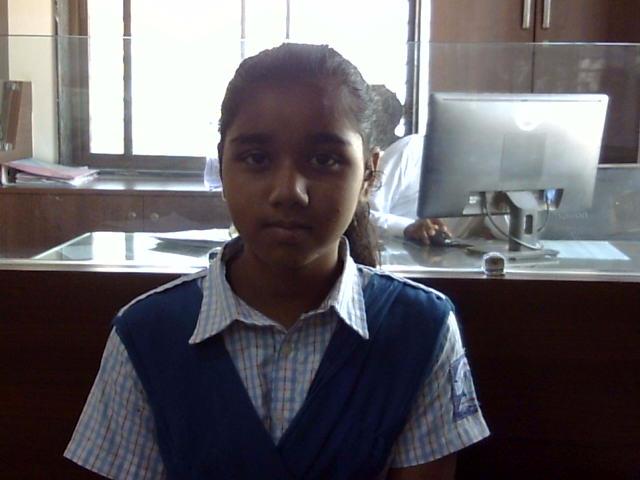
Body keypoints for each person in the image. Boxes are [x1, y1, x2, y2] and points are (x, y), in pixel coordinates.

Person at [64, 43, 489, 479]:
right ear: (222, 166)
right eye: (257, 158)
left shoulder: (420, 330)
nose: (289, 191)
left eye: (324, 160)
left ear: (369, 173)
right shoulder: (146, 335)